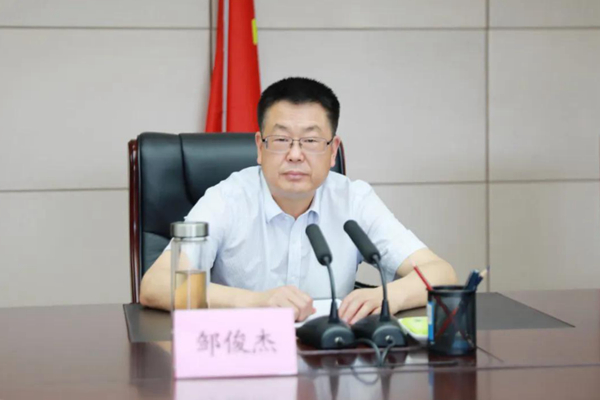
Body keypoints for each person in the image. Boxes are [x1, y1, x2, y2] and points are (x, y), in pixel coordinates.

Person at [140, 77, 457, 324]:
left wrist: (389, 297)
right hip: (244, 357)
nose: (295, 154)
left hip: (329, 362)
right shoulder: (227, 199)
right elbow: (155, 285)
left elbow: (441, 273)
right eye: (281, 139)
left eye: (310, 140)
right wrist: (257, 302)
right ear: (260, 147)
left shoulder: (354, 200)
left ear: (333, 151)